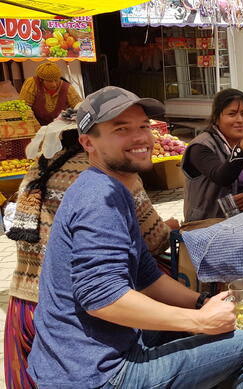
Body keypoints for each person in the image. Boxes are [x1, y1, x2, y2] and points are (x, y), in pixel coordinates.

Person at [27, 86, 243, 388]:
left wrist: (201, 302)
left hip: (90, 355)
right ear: (87, 143)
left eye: (143, 127)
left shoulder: (112, 188)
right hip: (97, 374)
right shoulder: (98, 198)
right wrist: (199, 321)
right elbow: (101, 299)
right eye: (121, 129)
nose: (139, 138)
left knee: (212, 332)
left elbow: (146, 275)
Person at [3, 109, 177, 389]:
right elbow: (153, 239)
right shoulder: (114, 174)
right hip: (73, 314)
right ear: (89, 140)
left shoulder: (40, 166)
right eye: (120, 129)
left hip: (25, 305)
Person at [182, 88, 243, 221]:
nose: (240, 119)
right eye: (232, 114)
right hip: (210, 223)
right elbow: (222, 177)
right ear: (217, 119)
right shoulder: (200, 146)